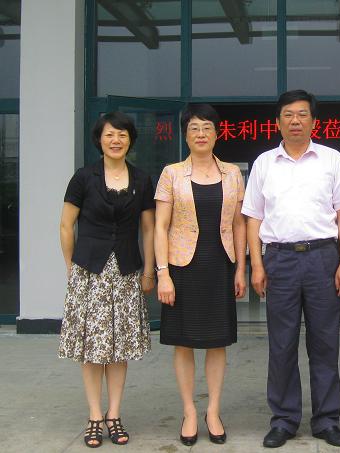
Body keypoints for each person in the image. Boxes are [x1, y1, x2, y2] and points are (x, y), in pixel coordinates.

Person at [242, 89, 340, 448]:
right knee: (282, 343)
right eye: (288, 115)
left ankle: (326, 420)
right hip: (280, 259)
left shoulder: (332, 159)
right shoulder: (264, 163)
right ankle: (284, 419)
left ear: (313, 121)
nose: (295, 121)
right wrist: (257, 264)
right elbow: (253, 217)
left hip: (323, 258)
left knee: (325, 343)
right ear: (278, 122)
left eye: (302, 114)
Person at [58, 111, 155, 448]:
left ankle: (114, 414)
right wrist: (71, 266)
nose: (116, 140)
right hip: (90, 273)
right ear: (99, 140)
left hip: (126, 272)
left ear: (130, 140)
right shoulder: (84, 177)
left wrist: (149, 270)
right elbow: (66, 225)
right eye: (110, 134)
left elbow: (148, 228)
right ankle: (94, 416)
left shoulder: (141, 179)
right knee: (92, 349)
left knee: (119, 348)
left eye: (122, 135)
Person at [154, 103, 247, 446]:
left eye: (207, 127)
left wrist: (241, 268)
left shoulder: (232, 173)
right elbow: (160, 227)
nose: (201, 134)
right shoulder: (171, 173)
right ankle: (190, 411)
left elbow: (239, 224)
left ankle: (214, 411)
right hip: (182, 267)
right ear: (185, 134)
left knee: (217, 341)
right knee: (183, 342)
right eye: (194, 128)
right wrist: (163, 273)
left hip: (219, 265)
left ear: (217, 133)